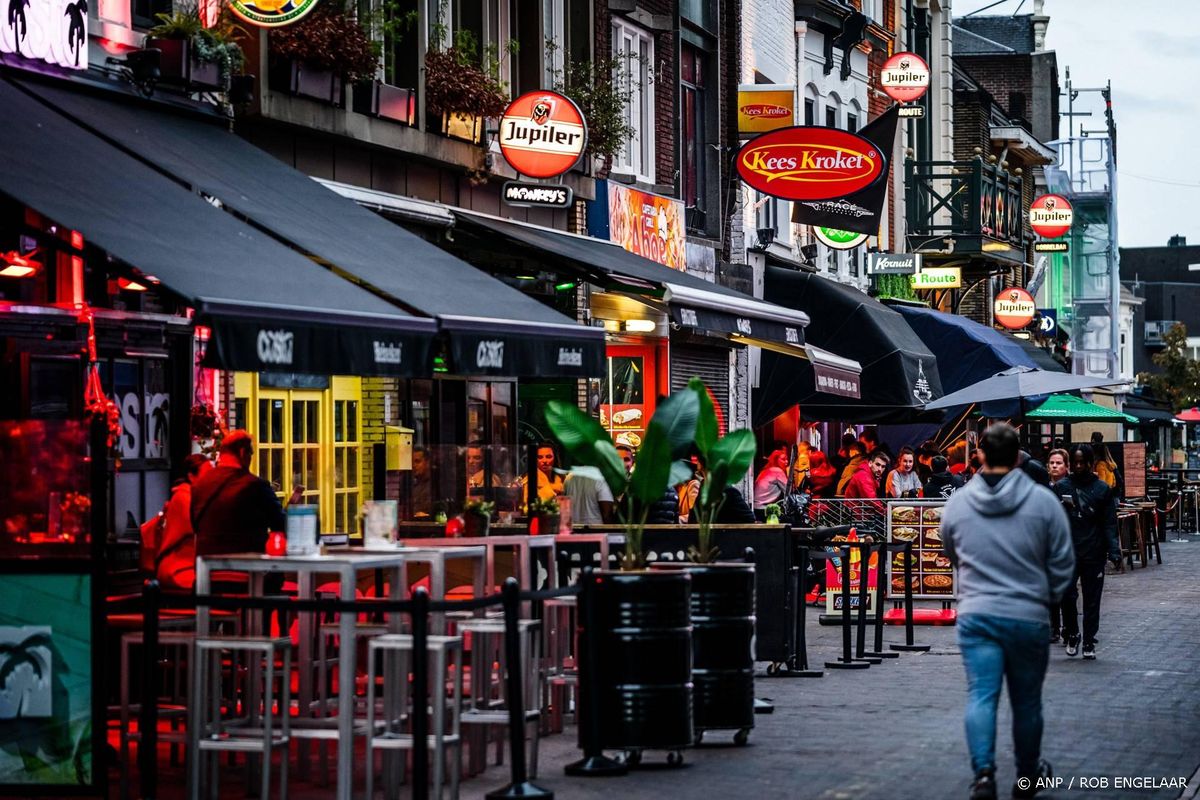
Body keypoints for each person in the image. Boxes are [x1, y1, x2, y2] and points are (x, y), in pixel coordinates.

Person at [942, 424, 1074, 800]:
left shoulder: (959, 503)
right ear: (1019, 457)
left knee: (981, 694)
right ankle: (1028, 774)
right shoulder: (1043, 502)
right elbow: (1063, 560)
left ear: (980, 455)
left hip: (977, 614)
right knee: (1027, 700)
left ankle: (983, 773)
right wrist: (1044, 596)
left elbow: (953, 552)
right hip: (1027, 615)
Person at [1052, 443, 1121, 659]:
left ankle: (1089, 639)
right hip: (1067, 550)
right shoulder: (1061, 487)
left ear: (1090, 463)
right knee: (1067, 595)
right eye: (1076, 462)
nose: (1079, 466)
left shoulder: (1101, 489)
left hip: (1093, 550)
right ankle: (1072, 632)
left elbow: (1109, 523)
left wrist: (1113, 550)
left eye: (1083, 462)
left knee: (1092, 598)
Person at [191, 430, 287, 557]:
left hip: (206, 566)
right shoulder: (255, 485)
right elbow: (281, 524)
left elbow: (194, 522)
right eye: (251, 453)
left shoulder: (200, 484)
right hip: (246, 568)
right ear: (242, 452)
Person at [154, 454, 212, 592]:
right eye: (207, 474)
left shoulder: (190, 496)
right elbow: (200, 531)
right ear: (192, 476)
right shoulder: (185, 499)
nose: (211, 479)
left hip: (187, 566)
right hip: (178, 569)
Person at [1044, 448, 1071, 643]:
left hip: (1067, 543)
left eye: (1058, 463)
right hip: (1047, 543)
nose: (1054, 466)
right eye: (1052, 463)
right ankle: (1054, 627)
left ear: (1066, 466)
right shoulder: (1044, 487)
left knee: (1066, 590)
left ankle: (1068, 626)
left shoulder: (1070, 487)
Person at [753, 442, 790, 509]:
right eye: (783, 459)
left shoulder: (767, 470)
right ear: (776, 460)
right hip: (763, 508)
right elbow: (788, 491)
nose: (787, 462)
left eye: (787, 459)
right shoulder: (777, 471)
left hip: (756, 506)